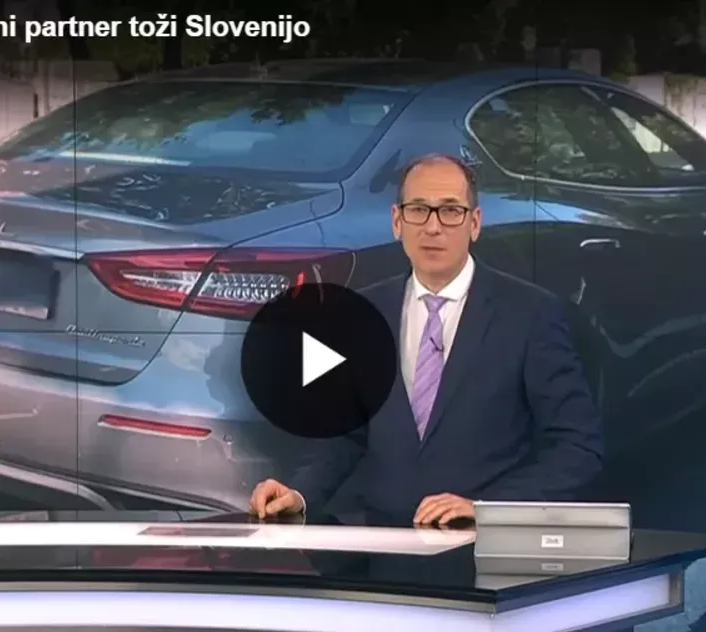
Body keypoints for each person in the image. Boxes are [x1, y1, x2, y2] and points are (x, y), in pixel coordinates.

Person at [249, 153, 604, 526]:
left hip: (482, 543)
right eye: (418, 210)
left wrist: (487, 508)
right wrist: (300, 494)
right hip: (384, 545)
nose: (433, 227)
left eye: (450, 211)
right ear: (397, 221)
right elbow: (344, 437)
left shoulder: (530, 315)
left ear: (475, 223)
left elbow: (577, 447)